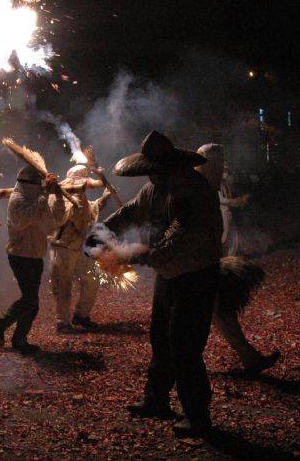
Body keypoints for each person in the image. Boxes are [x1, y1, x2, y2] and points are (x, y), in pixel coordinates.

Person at [89, 131, 222, 438]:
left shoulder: (194, 191)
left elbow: (182, 239)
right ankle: (156, 400)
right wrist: (101, 232)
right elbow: (131, 211)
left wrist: (139, 255)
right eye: (149, 171)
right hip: (171, 274)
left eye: (156, 170)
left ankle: (198, 416)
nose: (152, 176)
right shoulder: (156, 188)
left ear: (172, 167)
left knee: (185, 345)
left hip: (196, 274)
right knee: (161, 337)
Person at [196, 144, 280, 376]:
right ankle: (176, 368)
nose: (220, 167)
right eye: (216, 163)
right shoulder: (195, 189)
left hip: (206, 266)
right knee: (196, 319)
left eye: (221, 163)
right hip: (191, 268)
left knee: (221, 314)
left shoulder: (211, 187)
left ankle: (250, 358)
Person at [0, 165, 66, 354]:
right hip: (19, 255)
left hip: (36, 255)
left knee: (32, 303)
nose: (41, 187)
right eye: (38, 184)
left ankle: (19, 339)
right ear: (29, 184)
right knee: (30, 299)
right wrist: (45, 196)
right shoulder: (17, 199)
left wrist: (57, 196)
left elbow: (54, 223)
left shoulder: (38, 199)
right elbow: (22, 221)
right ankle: (0, 323)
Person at [49, 165, 111, 332]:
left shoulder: (81, 197)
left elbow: (89, 211)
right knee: (63, 285)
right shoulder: (56, 196)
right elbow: (66, 216)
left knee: (92, 279)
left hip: (78, 248)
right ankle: (62, 323)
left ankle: (81, 315)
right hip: (62, 248)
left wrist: (104, 198)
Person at [219, 163, 248, 257]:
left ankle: (230, 259)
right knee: (224, 238)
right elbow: (221, 199)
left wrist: (239, 200)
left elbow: (230, 197)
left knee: (234, 238)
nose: (227, 174)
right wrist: (236, 201)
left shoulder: (225, 183)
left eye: (227, 171)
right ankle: (219, 259)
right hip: (222, 212)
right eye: (225, 171)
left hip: (228, 212)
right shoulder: (217, 183)